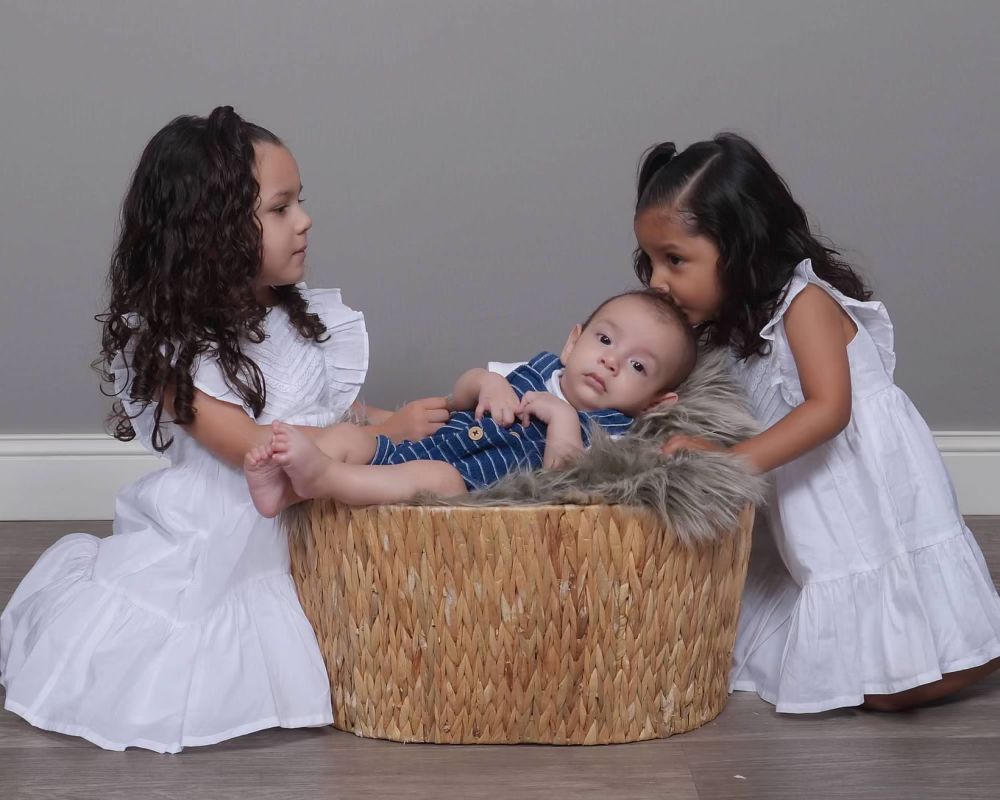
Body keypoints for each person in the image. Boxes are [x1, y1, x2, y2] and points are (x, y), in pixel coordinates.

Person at [0, 106, 445, 752]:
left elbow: (326, 411)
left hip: (297, 524)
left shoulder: (296, 320)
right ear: (212, 232)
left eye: (301, 203)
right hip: (212, 540)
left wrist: (395, 421)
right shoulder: (171, 350)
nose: (305, 221)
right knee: (170, 658)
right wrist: (376, 438)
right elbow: (250, 447)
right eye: (281, 209)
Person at [632, 132, 1000, 713]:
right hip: (815, 505)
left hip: (864, 487)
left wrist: (731, 463)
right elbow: (748, 416)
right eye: (650, 261)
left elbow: (829, 409)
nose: (657, 280)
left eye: (675, 260)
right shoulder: (736, 329)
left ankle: (980, 650)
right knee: (844, 665)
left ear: (740, 247)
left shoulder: (806, 304)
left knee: (892, 685)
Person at [245, 289, 697, 514]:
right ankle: (283, 492)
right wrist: (485, 383)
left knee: (434, 478)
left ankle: (324, 477)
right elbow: (457, 397)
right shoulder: (537, 370)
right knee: (349, 435)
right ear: (572, 343)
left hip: (463, 479)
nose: (612, 362)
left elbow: (567, 482)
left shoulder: (616, 432)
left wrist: (561, 418)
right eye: (604, 339)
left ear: (656, 403)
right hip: (426, 441)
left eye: (638, 367)